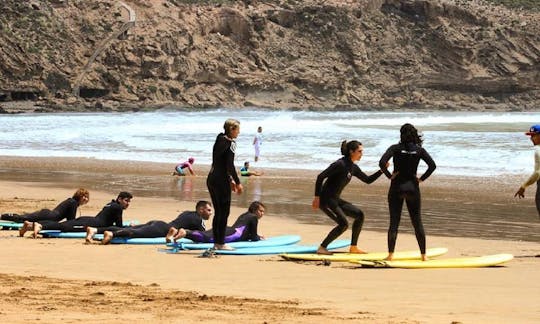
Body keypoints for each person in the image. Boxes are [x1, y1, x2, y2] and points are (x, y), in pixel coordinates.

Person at [312, 140, 384, 255]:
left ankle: (353, 247)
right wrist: (317, 197)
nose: (362, 154)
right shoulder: (340, 164)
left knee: (359, 215)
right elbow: (320, 177)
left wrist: (382, 170)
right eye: (359, 151)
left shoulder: (353, 167)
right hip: (326, 200)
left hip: (335, 200)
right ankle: (322, 247)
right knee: (343, 224)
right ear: (351, 152)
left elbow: (367, 180)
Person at [379, 123, 436, 261]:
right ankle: (424, 256)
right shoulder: (419, 150)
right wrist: (421, 179)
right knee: (417, 223)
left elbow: (381, 162)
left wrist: (388, 175)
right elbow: (432, 166)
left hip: (396, 188)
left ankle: (390, 255)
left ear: (401, 134)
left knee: (394, 222)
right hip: (412, 188)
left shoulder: (395, 148)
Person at [90, 200, 213, 244]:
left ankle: (96, 230)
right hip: (162, 229)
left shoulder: (187, 213)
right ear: (201, 209)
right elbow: (203, 236)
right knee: (135, 233)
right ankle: (112, 234)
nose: (210, 213)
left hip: (159, 223)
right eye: (208, 210)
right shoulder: (199, 219)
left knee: (133, 229)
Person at [21, 192, 133, 238]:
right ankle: (40, 226)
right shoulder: (118, 207)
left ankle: (32, 225)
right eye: (126, 201)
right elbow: (118, 226)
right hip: (90, 223)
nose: (127, 204)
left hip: (89, 220)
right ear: (119, 199)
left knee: (64, 224)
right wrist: (129, 228)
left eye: (129, 201)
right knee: (64, 227)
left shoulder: (111, 204)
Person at [207, 118, 243, 250]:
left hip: (211, 178)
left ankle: (217, 242)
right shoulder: (231, 143)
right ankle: (220, 243)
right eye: (238, 130)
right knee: (224, 212)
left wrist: (230, 180)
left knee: (218, 212)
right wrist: (237, 182)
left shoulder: (219, 139)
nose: (239, 133)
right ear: (232, 129)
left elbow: (221, 163)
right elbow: (229, 165)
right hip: (221, 181)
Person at [171, 201, 265, 244]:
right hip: (233, 234)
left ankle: (183, 232)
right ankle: (186, 232)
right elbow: (253, 237)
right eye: (261, 211)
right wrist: (258, 238)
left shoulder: (245, 215)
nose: (262, 213)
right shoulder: (253, 217)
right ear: (254, 210)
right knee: (208, 238)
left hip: (229, 230)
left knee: (206, 234)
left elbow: (246, 232)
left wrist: (254, 235)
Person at [1, 189, 90, 232]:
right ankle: (2, 216)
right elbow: (70, 220)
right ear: (79, 196)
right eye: (84, 196)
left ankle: (3, 216)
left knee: (23, 218)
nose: (85, 199)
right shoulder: (73, 203)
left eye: (87, 197)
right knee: (21, 218)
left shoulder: (72, 201)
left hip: (49, 216)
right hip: (49, 216)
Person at [514, 124, 540, 219]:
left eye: (534, 135)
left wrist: (523, 186)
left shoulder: (538, 150)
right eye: (531, 136)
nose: (531, 139)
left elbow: (537, 173)